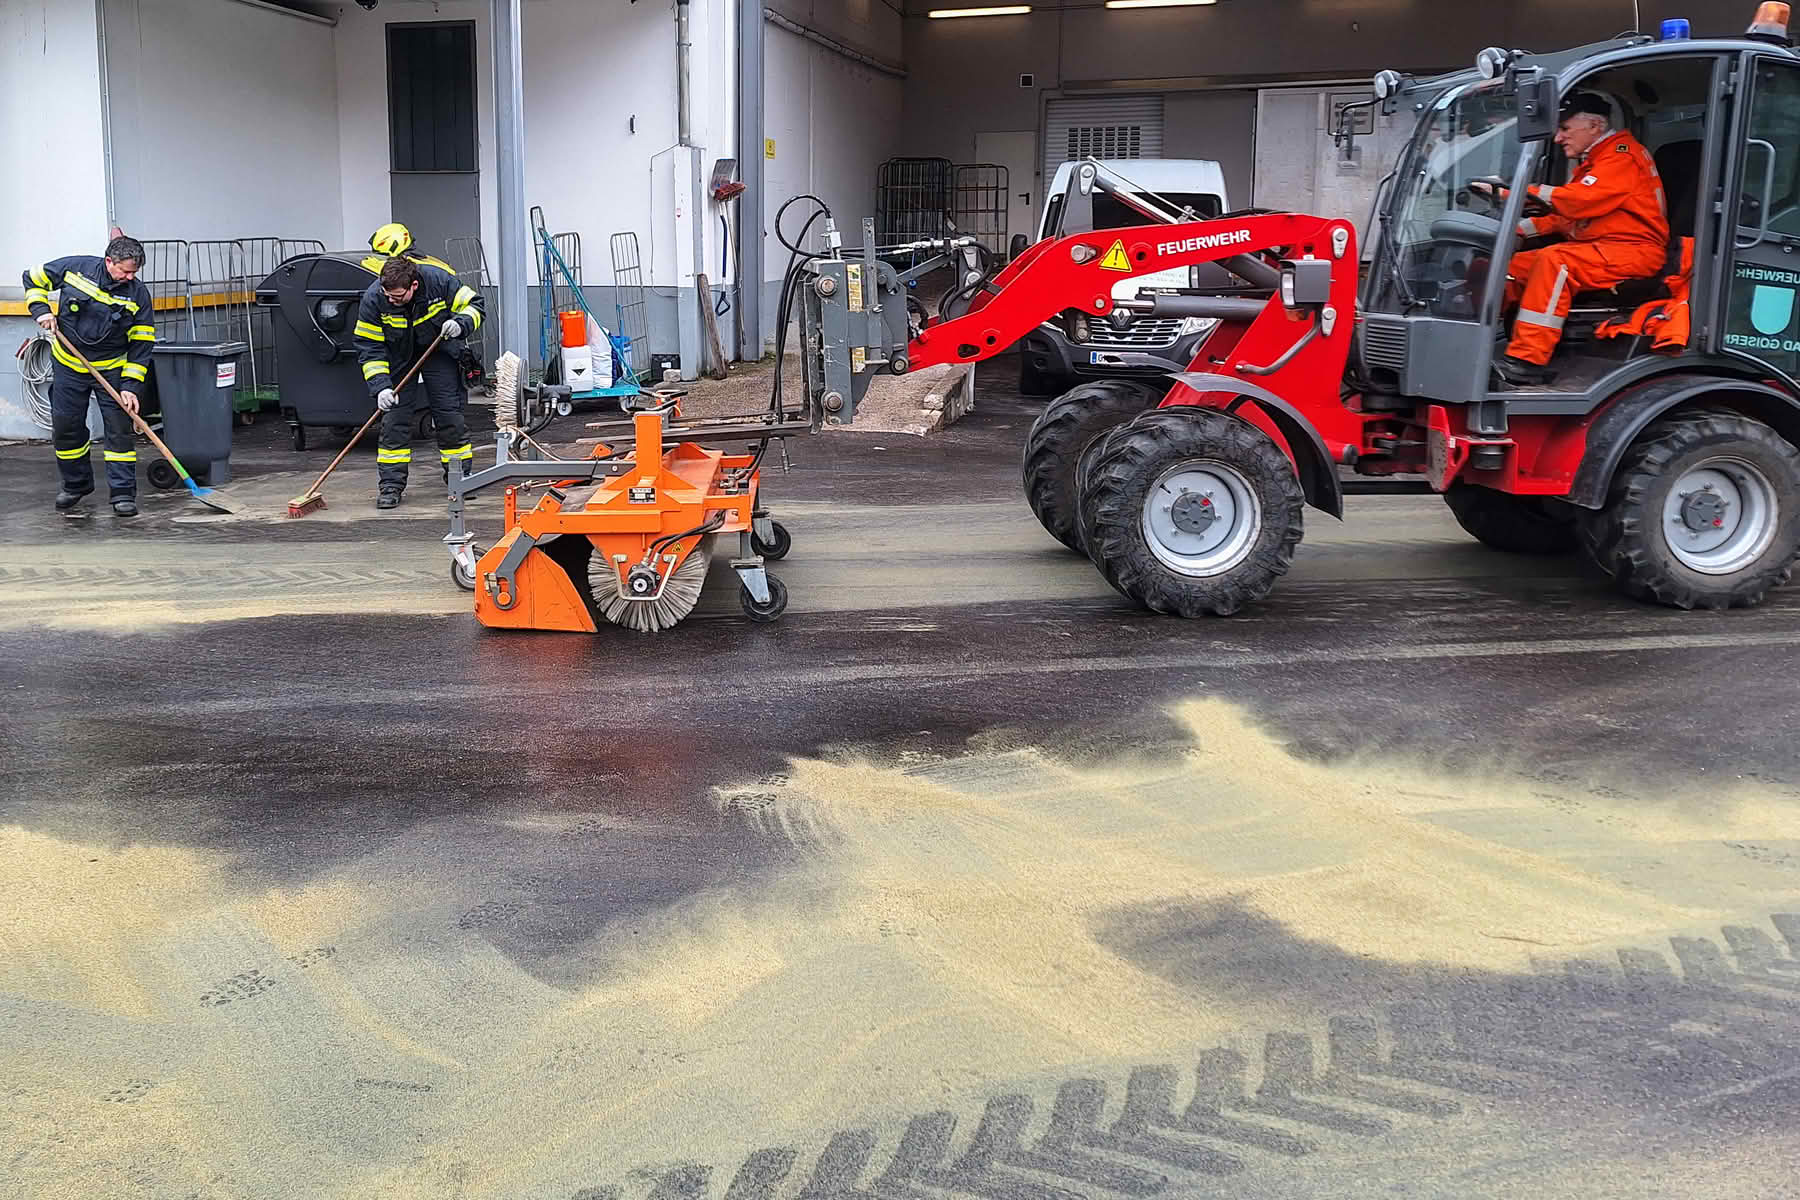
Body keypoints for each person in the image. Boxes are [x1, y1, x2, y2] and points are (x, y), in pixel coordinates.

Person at [1476, 92, 1669, 386]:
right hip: (1602, 248)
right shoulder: (1597, 162)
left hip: (1634, 252)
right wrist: (1513, 231)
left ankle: (1527, 361)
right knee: (1511, 266)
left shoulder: (1622, 156)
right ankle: (1477, 342)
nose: (1558, 138)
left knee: (1556, 261)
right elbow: (1567, 218)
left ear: (1594, 125)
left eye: (1565, 129)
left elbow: (1577, 202)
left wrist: (1515, 192)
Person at [21, 235, 156, 516]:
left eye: (134, 272)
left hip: (113, 369)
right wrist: (41, 310)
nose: (129, 277)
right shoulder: (76, 269)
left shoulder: (138, 294)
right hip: (69, 365)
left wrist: (131, 386)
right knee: (66, 427)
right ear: (109, 261)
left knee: (119, 431)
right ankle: (75, 485)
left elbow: (142, 343)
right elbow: (32, 278)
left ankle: (122, 494)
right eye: (125, 270)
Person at [354, 256, 486, 509]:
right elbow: (369, 347)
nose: (391, 300)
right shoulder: (374, 299)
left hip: (439, 348)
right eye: (387, 295)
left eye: (398, 296)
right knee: (394, 420)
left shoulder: (438, 281)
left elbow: (475, 305)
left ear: (414, 285)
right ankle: (391, 486)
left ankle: (460, 479)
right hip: (398, 355)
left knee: (449, 413)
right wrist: (381, 386)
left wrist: (460, 324)